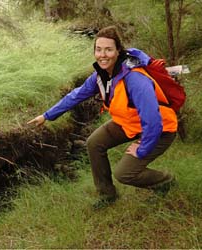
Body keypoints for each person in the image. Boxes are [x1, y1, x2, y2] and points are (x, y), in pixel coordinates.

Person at [27, 26, 177, 209]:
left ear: (118, 51)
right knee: (94, 143)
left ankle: (166, 182)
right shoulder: (101, 75)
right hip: (129, 123)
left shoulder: (135, 79)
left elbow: (153, 120)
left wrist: (142, 148)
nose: (102, 55)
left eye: (108, 49)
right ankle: (107, 195)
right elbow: (76, 95)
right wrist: (47, 115)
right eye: (98, 49)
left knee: (125, 174)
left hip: (161, 129)